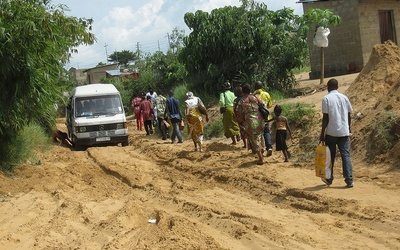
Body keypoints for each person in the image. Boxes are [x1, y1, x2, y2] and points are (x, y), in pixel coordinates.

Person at [320, 78, 354, 188]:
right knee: (346, 156)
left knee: (331, 156)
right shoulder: (345, 98)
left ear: (328, 87)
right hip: (344, 132)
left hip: (331, 132)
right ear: (337, 87)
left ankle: (329, 179)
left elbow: (325, 118)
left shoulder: (326, 99)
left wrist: (322, 133)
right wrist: (349, 130)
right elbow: (349, 115)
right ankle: (349, 180)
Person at [236, 84, 264, 165]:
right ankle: (262, 150)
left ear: (242, 91)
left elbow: (240, 114)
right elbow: (262, 105)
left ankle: (260, 158)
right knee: (260, 136)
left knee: (254, 138)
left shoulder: (242, 101)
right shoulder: (255, 97)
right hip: (259, 118)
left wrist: (240, 121)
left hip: (250, 121)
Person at [253, 80, 273, 156]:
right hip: (265, 117)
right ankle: (269, 147)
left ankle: (261, 148)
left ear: (254, 87)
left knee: (258, 134)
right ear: (262, 87)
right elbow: (270, 105)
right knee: (266, 132)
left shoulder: (253, 96)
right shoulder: (266, 94)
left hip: (256, 117)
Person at [219, 81, 240, 145]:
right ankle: (238, 133)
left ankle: (234, 141)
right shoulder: (233, 94)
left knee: (228, 125)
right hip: (234, 108)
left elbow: (222, 102)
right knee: (234, 121)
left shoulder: (223, 94)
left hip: (228, 109)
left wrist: (222, 108)